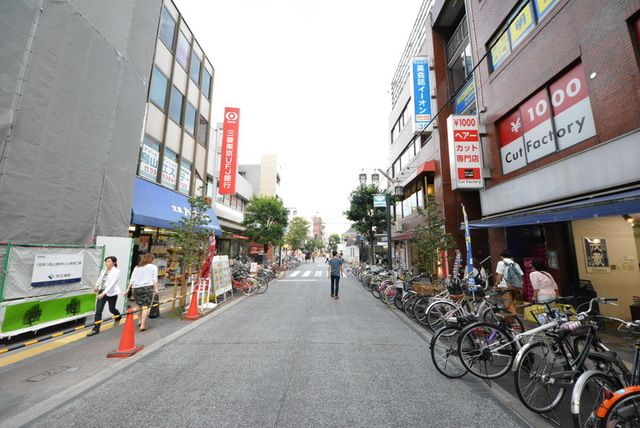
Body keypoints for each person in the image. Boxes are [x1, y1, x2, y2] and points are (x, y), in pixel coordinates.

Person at [87, 256, 121, 336]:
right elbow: (100, 279)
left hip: (111, 293)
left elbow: (112, 284)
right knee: (98, 310)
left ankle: (118, 316)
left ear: (114, 263)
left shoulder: (116, 271)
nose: (106, 263)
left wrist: (103, 293)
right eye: (106, 261)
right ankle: (96, 329)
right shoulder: (103, 270)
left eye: (108, 261)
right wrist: (96, 286)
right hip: (102, 292)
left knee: (112, 309)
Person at [124, 253, 158, 331]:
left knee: (138, 305)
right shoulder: (153, 267)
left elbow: (132, 279)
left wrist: (127, 290)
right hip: (147, 288)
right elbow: (154, 279)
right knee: (145, 306)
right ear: (151, 259)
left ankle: (139, 320)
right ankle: (142, 325)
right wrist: (156, 289)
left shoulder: (137, 267)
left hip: (136, 288)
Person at [494, 249, 524, 315]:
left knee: (508, 304)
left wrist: (496, 285)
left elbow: (499, 275)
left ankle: (514, 320)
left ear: (502, 256)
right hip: (515, 287)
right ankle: (514, 319)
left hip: (506, 287)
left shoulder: (501, 263)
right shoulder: (515, 264)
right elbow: (521, 275)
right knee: (513, 303)